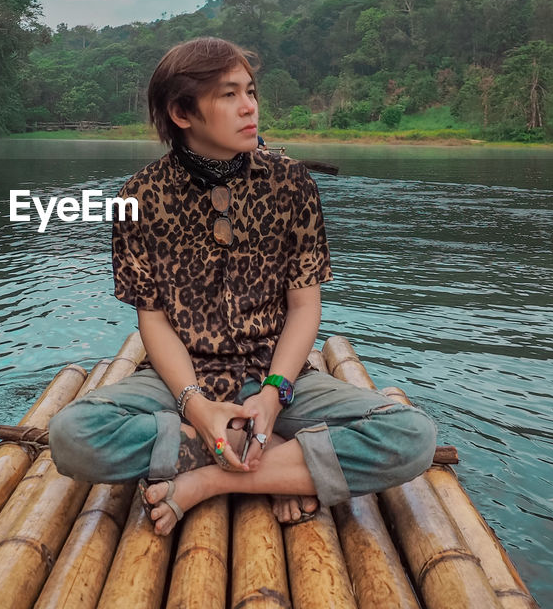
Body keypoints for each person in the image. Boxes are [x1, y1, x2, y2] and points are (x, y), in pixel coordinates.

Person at [49, 37, 436, 535]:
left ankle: (213, 478)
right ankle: (272, 459)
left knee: (410, 435)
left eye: (250, 91)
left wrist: (274, 393)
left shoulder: (293, 185)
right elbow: (154, 319)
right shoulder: (139, 196)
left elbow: (303, 308)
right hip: (181, 380)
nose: (249, 106)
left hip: (275, 376)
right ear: (183, 112)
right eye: (229, 95)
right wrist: (195, 403)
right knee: (72, 435)